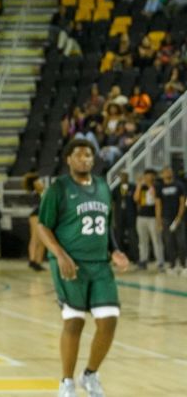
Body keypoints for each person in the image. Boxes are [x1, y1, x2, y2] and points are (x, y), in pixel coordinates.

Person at [37, 138, 129, 397]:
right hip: (71, 265)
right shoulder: (58, 189)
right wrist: (60, 255)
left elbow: (107, 225)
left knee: (109, 320)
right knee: (74, 322)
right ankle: (66, 382)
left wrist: (116, 251)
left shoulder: (102, 187)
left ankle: (89, 374)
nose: (84, 160)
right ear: (68, 160)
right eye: (79, 155)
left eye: (88, 155)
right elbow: (43, 226)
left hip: (100, 265)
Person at [156, 166, 186, 274]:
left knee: (181, 242)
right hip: (166, 218)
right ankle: (172, 265)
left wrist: (179, 218)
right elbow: (158, 205)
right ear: (162, 174)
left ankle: (183, 265)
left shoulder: (179, 185)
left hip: (178, 218)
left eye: (169, 171)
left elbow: (183, 203)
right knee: (169, 243)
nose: (168, 173)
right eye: (166, 171)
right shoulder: (160, 187)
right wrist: (159, 221)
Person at [134, 169, 164, 271]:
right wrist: (138, 185)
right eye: (146, 175)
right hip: (141, 217)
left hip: (153, 217)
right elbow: (135, 198)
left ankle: (160, 262)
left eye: (150, 175)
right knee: (142, 240)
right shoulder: (141, 186)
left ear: (153, 177)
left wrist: (158, 219)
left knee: (156, 240)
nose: (148, 177)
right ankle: (143, 260)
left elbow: (158, 203)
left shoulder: (157, 186)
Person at [25, 172, 46, 271]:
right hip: (36, 215)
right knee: (35, 237)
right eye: (38, 181)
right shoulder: (33, 193)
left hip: (43, 215)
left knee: (42, 240)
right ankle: (32, 260)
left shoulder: (44, 192)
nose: (40, 182)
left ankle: (38, 261)